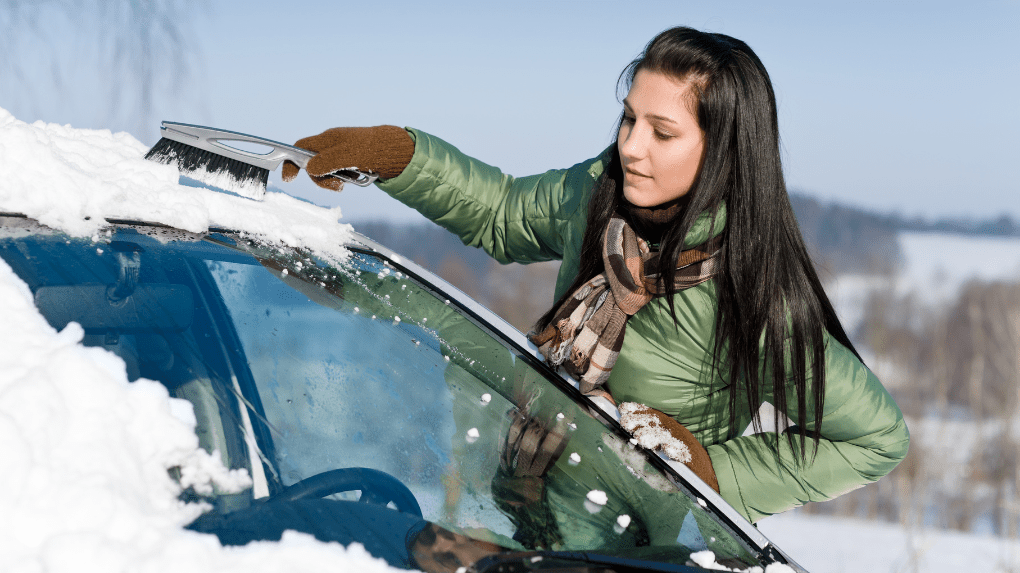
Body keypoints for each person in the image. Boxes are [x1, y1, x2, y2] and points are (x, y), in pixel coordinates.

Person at [282, 26, 909, 525]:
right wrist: (398, 156)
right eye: (629, 119)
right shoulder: (600, 191)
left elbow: (876, 439)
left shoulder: (750, 292)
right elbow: (503, 213)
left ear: (722, 150)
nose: (632, 147)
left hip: (639, 550)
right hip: (518, 517)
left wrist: (709, 475)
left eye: (662, 132)